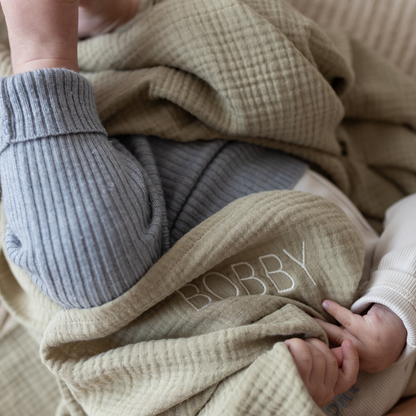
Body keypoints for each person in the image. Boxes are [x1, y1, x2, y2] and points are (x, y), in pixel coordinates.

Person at [0, 0, 415, 413]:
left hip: (136, 319)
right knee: (276, 68)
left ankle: (42, 58)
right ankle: (120, 28)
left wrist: (278, 395)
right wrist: (397, 312)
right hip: (257, 181)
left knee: (85, 262)